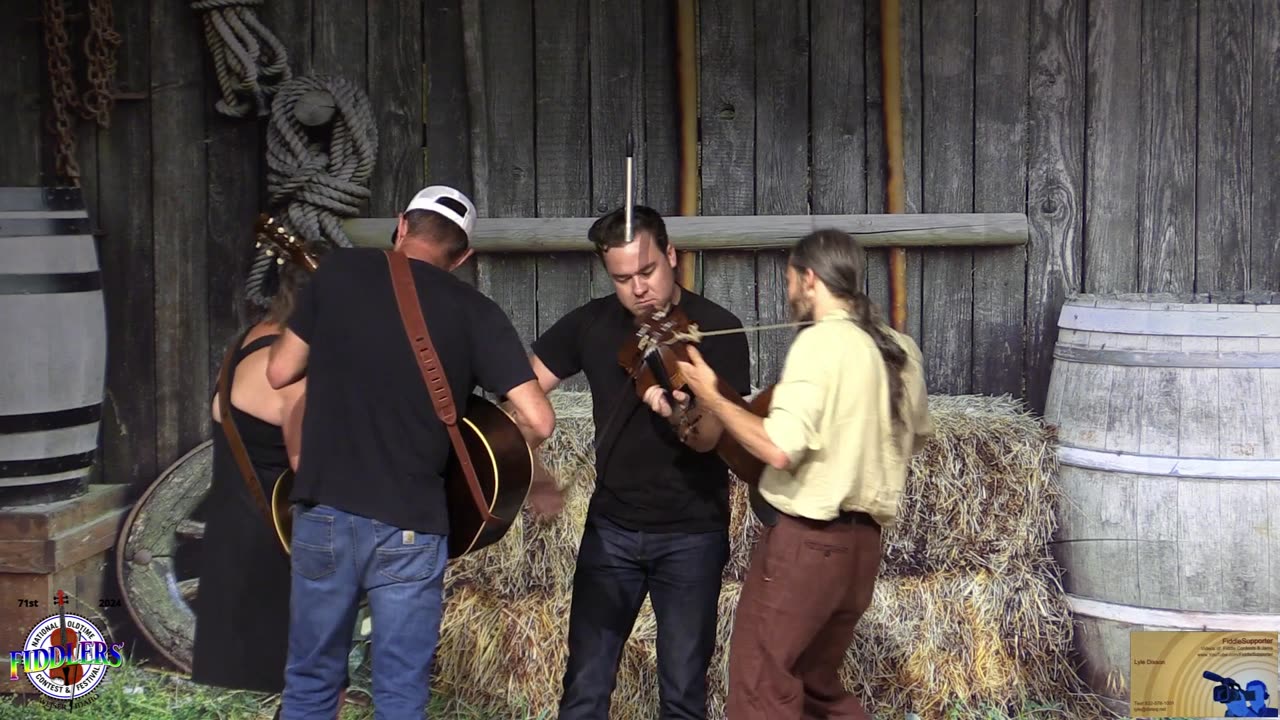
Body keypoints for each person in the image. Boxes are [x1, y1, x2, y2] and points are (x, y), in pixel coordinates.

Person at [265, 185, 558, 719]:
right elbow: (539, 419)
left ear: (401, 224)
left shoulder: (339, 274)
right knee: (400, 693)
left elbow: (280, 371)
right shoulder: (477, 311)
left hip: (326, 509)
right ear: (463, 255)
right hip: (412, 524)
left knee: (311, 678)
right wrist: (490, 450)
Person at [675, 228, 933, 720]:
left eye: (791, 280)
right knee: (817, 691)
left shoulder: (820, 344)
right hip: (861, 554)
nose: (790, 291)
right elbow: (914, 437)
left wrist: (711, 397)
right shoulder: (901, 349)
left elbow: (776, 448)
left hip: (807, 547)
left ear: (809, 279)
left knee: (760, 691)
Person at [528, 205, 752, 720]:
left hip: (692, 533)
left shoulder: (716, 327)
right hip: (611, 530)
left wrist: (685, 408)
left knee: (681, 693)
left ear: (671, 255)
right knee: (584, 687)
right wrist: (533, 467)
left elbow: (709, 439)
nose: (638, 289)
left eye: (647, 271)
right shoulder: (591, 322)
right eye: (622, 278)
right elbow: (521, 391)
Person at [191, 237, 319, 714]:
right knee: (292, 678)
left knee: (238, 683)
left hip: (231, 529)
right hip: (274, 544)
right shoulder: (294, 379)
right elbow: (308, 467)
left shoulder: (249, 340)